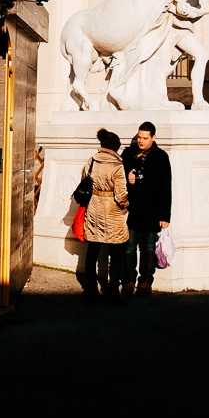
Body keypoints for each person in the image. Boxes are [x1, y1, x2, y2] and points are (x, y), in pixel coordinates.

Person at [79, 128, 130, 304]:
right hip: (112, 211)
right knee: (116, 253)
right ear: (115, 147)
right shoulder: (117, 166)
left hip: (94, 207)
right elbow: (121, 196)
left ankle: (91, 290)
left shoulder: (92, 160)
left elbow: (84, 179)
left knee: (92, 250)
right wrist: (126, 206)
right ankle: (113, 293)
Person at [122, 121, 171, 297]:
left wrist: (165, 216)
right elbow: (118, 172)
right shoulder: (129, 153)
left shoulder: (161, 156)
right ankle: (129, 281)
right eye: (139, 137)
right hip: (133, 209)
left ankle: (146, 282)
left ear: (153, 137)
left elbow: (166, 187)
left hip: (153, 210)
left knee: (148, 248)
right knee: (129, 247)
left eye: (145, 138)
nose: (141, 141)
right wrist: (127, 176)